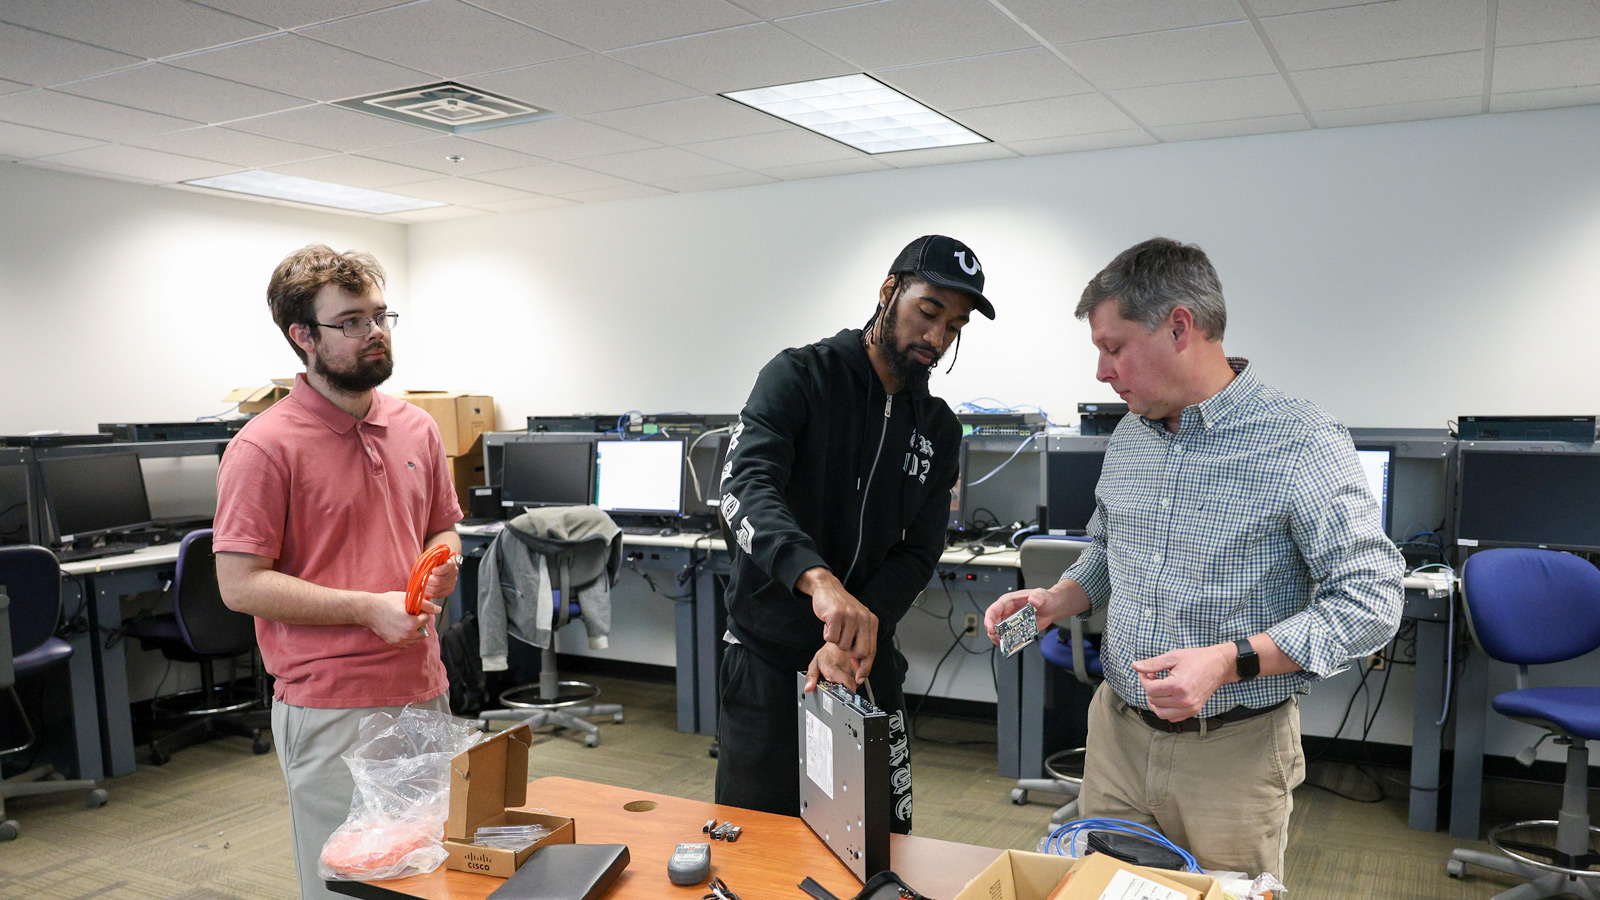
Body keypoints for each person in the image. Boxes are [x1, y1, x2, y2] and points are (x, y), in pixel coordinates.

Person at [985, 237, 1402, 879]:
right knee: (1106, 891)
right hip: (1118, 737)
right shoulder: (1131, 434)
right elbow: (1106, 546)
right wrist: (1056, 598)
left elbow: (1371, 599)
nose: (1101, 371)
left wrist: (1229, 662)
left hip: (1233, 754)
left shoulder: (1300, 441)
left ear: (1180, 327)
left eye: (1113, 346)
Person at [715, 235, 995, 832]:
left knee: (879, 845)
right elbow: (744, 486)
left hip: (865, 664)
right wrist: (817, 582)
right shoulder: (799, 376)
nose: (938, 339)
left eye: (955, 325)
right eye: (928, 312)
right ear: (889, 291)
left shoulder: (939, 430)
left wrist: (851, 629)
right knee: (757, 848)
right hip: (767, 662)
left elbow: (919, 550)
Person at [213, 245, 463, 899]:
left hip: (423, 686)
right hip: (331, 708)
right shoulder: (264, 447)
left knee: (430, 874)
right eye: (351, 321)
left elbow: (442, 524)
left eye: (381, 315)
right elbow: (239, 585)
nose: (374, 332)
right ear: (304, 336)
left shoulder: (416, 427)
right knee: (349, 887)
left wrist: (443, 562)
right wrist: (364, 607)